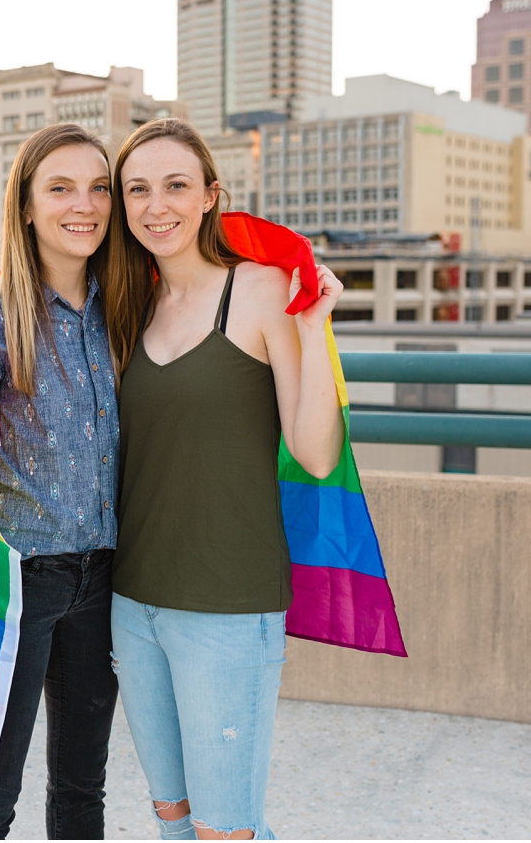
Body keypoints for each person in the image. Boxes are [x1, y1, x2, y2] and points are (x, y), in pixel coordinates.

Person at [103, 119, 346, 840]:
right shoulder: (127, 301)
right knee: (171, 817)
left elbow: (316, 455)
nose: (156, 205)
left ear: (211, 195)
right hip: (131, 599)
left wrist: (311, 329)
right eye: (137, 189)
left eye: (176, 185)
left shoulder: (263, 290)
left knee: (224, 829)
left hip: (227, 607)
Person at [0, 123, 121, 839]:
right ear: (24, 205)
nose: (83, 204)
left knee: (83, 790)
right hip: (22, 581)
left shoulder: (128, 308)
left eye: (98, 187)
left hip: (109, 575)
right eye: (59, 187)